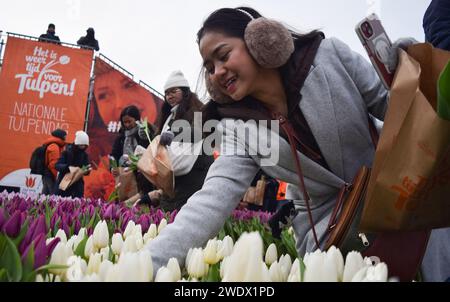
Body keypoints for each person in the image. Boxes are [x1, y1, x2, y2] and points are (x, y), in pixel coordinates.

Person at [145, 7, 450, 281]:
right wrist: (146, 267)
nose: (217, 72)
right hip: (333, 240)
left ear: (258, 40)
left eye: (223, 56)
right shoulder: (238, 128)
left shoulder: (330, 57)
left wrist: (408, 72)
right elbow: (209, 202)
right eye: (209, 67)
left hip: (401, 204)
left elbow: (396, 111)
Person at [138, 70, 214, 212]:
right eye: (167, 93)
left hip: (195, 171)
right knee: (170, 212)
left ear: (185, 91)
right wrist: (148, 132)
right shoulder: (170, 115)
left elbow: (199, 133)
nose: (169, 96)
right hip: (175, 173)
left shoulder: (197, 110)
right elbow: (163, 138)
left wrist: (174, 134)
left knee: (187, 212)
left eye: (174, 91)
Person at [55, 131, 91, 198]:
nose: (83, 147)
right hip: (64, 182)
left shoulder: (85, 155)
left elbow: (86, 167)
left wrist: (86, 170)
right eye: (81, 145)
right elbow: (57, 165)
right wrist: (69, 168)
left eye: (85, 145)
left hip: (78, 186)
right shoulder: (67, 152)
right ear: (77, 144)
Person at [42, 129, 67, 195]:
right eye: (65, 136)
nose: (65, 138)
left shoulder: (53, 144)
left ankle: (40, 205)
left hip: (47, 173)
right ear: (61, 136)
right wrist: (55, 176)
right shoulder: (54, 146)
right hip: (50, 173)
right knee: (53, 194)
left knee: (45, 193)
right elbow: (54, 163)